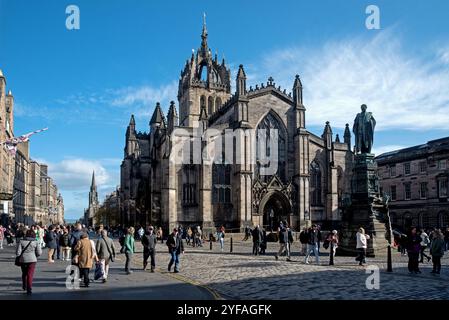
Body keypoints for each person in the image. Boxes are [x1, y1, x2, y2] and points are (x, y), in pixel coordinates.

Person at [16, 230, 42, 295]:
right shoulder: (36, 241)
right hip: (32, 260)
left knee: (24, 273)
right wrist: (35, 256)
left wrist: (21, 255)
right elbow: (39, 252)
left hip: (23, 259)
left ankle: (24, 286)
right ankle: (29, 289)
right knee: (30, 274)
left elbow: (18, 252)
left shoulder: (21, 241)